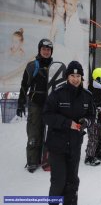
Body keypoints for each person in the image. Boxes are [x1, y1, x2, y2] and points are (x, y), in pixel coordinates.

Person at [43, 60, 95, 205]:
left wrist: (86, 122)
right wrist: (67, 123)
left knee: (72, 181)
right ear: (67, 76)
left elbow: (92, 115)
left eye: (78, 76)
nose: (75, 79)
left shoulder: (87, 95)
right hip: (57, 145)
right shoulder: (57, 93)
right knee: (59, 181)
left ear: (82, 78)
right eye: (72, 75)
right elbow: (47, 115)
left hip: (75, 144)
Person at [16, 38, 53, 173]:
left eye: (48, 50)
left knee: (49, 132)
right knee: (34, 132)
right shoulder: (33, 65)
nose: (46, 52)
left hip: (50, 105)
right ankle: (32, 160)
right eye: (43, 49)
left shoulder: (54, 66)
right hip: (36, 104)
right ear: (39, 50)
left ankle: (46, 158)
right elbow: (24, 85)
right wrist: (21, 102)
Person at [84, 68, 101, 166]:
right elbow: (89, 102)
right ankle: (89, 157)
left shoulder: (99, 88)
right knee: (93, 137)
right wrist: (95, 108)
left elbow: (100, 98)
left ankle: (98, 153)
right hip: (92, 117)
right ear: (98, 78)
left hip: (99, 116)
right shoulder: (91, 89)